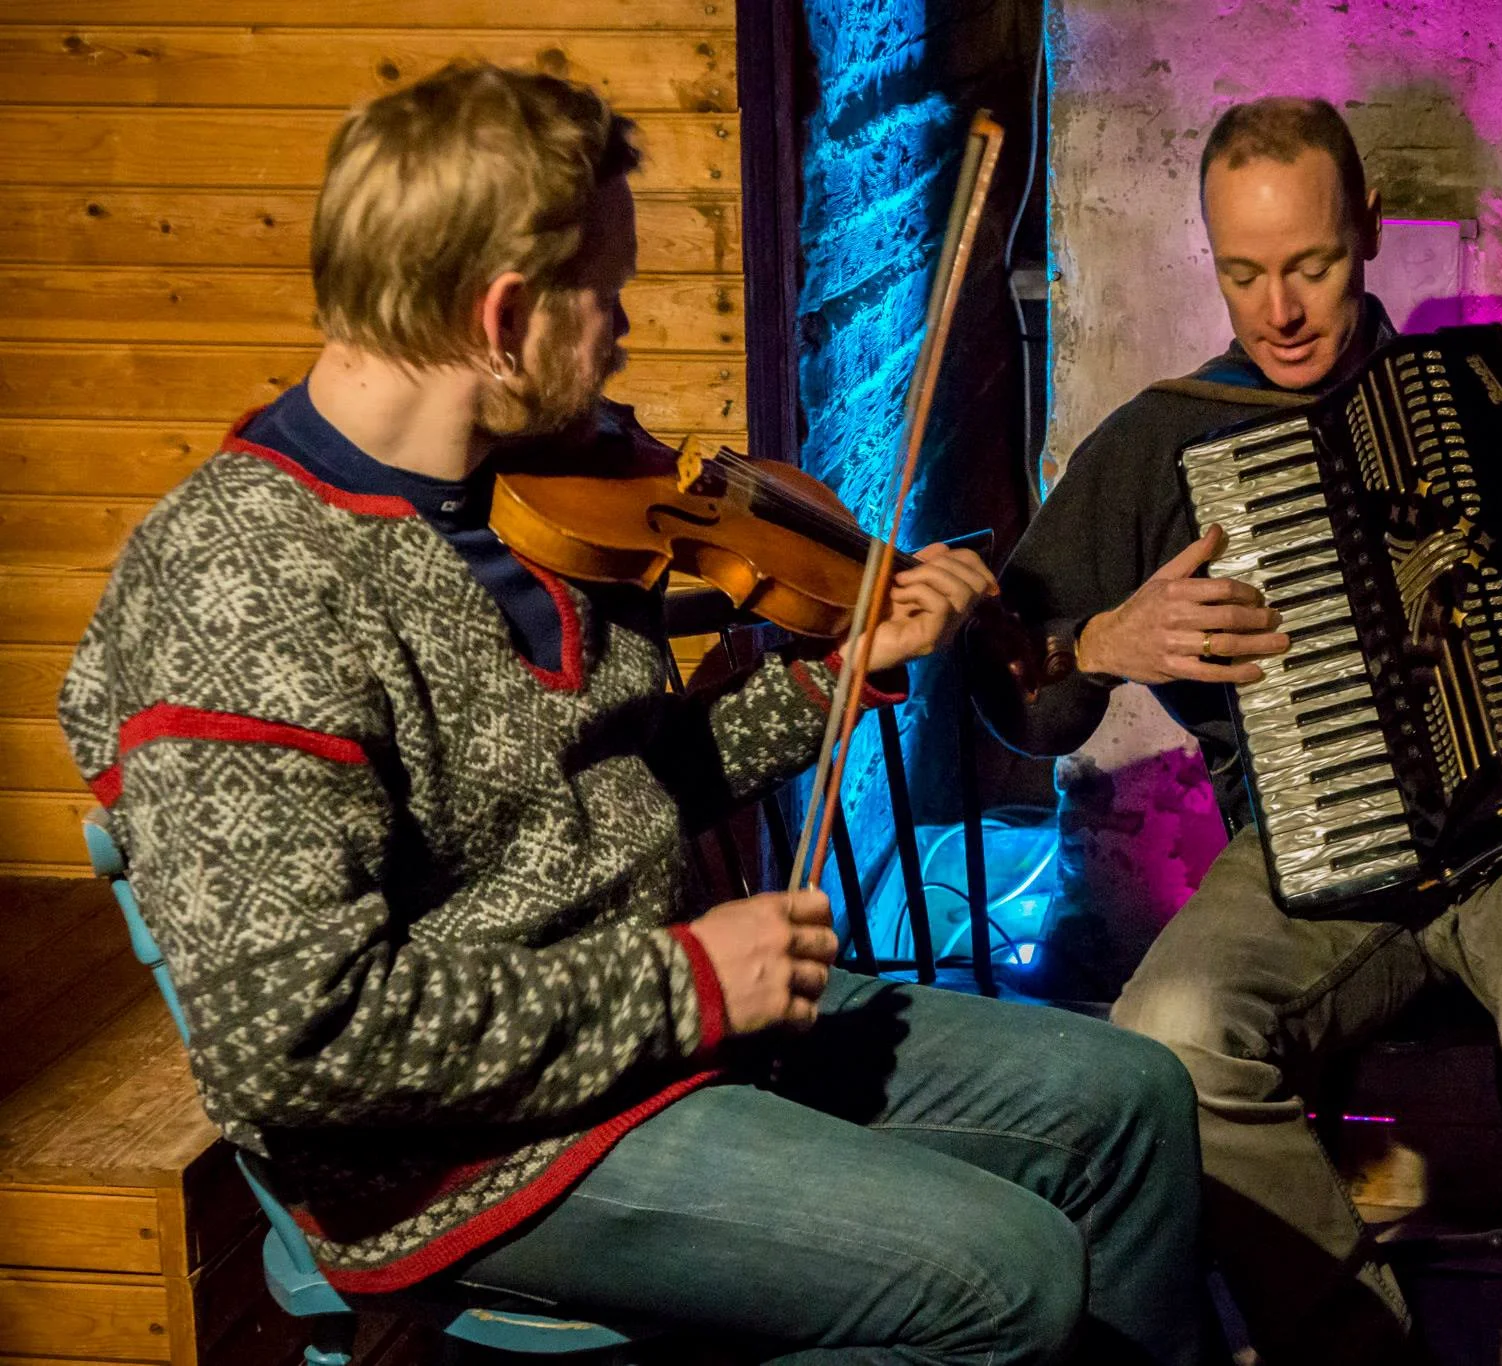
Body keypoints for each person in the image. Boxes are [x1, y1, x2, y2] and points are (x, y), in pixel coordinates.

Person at [57, 63, 1213, 1366]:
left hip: (669, 1034)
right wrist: (686, 978)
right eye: (601, 291)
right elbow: (302, 1045)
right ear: (501, 317)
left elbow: (627, 781)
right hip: (468, 1152)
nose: (619, 329)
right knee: (1008, 1279)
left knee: (1132, 1096)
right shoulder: (236, 595)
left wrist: (829, 682)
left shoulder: (529, 489)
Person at [972, 96, 1502, 1366]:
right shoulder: (1164, 437)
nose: (1278, 309)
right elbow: (1016, 690)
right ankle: (1359, 1347)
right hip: (1312, 865)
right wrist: (1098, 644)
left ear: (1363, 232)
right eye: (1243, 273)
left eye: (1307, 264)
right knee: (1165, 1037)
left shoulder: (1500, 393)